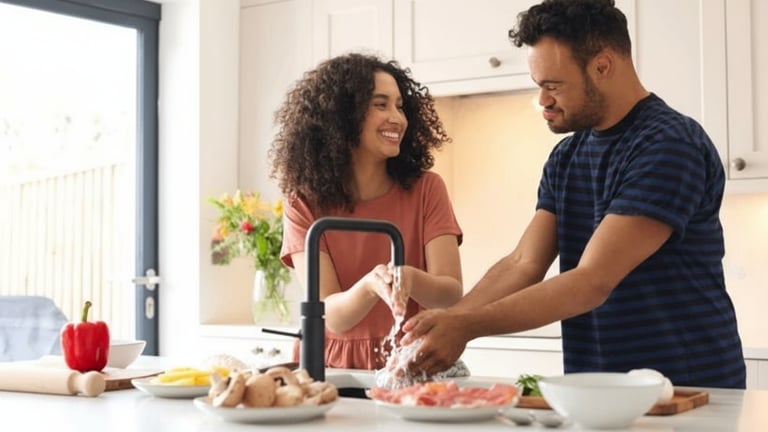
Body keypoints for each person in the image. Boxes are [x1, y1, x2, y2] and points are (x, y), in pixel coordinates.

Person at [400, 0, 746, 389]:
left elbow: (592, 280)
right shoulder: (567, 156)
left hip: (687, 388)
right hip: (599, 390)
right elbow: (522, 263)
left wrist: (466, 325)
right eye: (538, 86)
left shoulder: (668, 143)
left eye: (553, 85)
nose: (543, 101)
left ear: (602, 65)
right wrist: (450, 322)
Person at [268, 52, 464, 371]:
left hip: (409, 360)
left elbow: (450, 294)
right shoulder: (303, 204)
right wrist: (371, 285)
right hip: (329, 364)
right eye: (381, 104)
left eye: (400, 106)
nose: (397, 118)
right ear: (343, 116)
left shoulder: (428, 189)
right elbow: (331, 315)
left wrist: (409, 278)